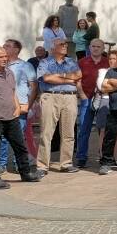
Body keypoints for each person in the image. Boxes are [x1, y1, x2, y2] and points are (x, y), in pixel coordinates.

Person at [0, 46, 43, 189]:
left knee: (20, 147)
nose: (5, 59)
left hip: (11, 118)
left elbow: (12, 91)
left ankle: (25, 173)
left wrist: (17, 107)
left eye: (5, 56)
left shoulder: (8, 72)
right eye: (1, 57)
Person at [36, 37, 81, 172]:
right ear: (52, 48)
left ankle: (66, 163)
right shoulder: (45, 62)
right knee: (46, 132)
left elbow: (78, 76)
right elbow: (47, 78)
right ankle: (42, 165)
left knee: (69, 132)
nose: (65, 46)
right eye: (61, 44)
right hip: (50, 97)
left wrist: (58, 77)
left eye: (66, 44)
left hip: (70, 98)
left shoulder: (71, 61)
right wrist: (67, 78)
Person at [0, 40, 37, 174]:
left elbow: (34, 87)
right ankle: (1, 164)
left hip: (20, 106)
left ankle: (17, 165)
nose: (4, 47)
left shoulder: (25, 66)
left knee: (18, 137)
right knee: (1, 136)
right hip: (2, 106)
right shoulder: (0, 66)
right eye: (3, 46)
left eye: (7, 46)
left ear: (16, 50)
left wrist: (29, 105)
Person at [74, 39, 109, 168]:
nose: (95, 48)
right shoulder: (82, 62)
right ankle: (81, 157)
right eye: (93, 46)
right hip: (86, 99)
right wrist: (82, 96)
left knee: (103, 129)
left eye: (98, 46)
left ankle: (104, 156)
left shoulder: (108, 62)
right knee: (84, 129)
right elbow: (77, 80)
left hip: (103, 99)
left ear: (103, 48)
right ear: (89, 47)